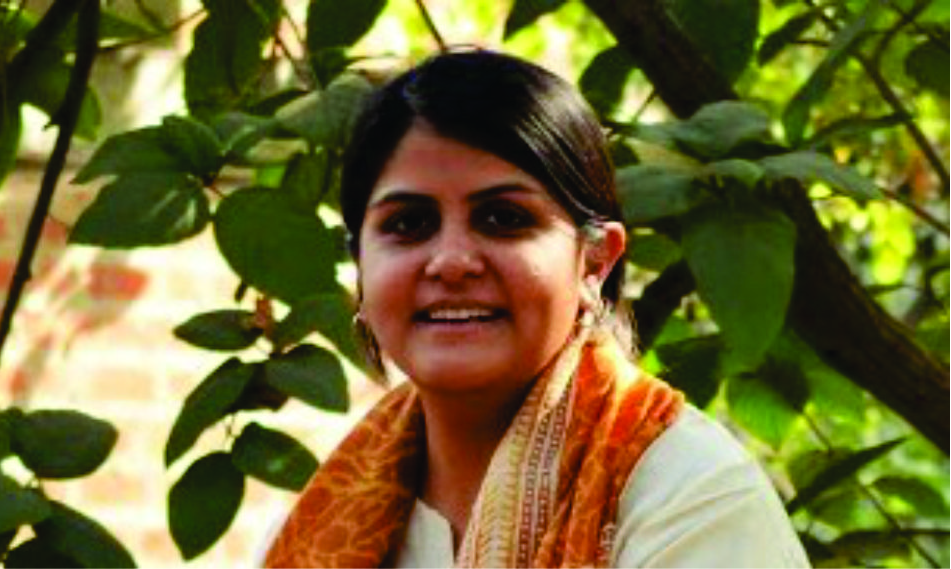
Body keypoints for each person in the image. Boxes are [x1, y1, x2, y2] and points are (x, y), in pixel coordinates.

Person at [263, 50, 809, 568]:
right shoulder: (320, 524)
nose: (451, 262)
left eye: (503, 219)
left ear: (595, 261)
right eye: (409, 223)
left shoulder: (694, 500)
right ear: (360, 263)